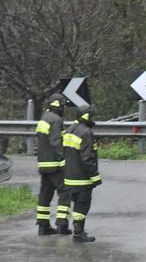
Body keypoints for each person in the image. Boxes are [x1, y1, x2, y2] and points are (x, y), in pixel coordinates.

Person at [61, 105, 100, 243]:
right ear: (87, 116)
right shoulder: (86, 133)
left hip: (69, 177)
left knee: (77, 204)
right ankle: (78, 233)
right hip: (82, 178)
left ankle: (78, 232)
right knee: (82, 205)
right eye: (91, 116)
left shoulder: (69, 130)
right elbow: (87, 158)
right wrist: (95, 176)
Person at [34, 95, 71, 236]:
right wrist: (63, 160)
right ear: (60, 106)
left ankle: (43, 226)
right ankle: (62, 225)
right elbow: (56, 142)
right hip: (55, 164)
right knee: (65, 192)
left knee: (45, 194)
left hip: (43, 164)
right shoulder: (56, 120)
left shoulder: (44, 118)